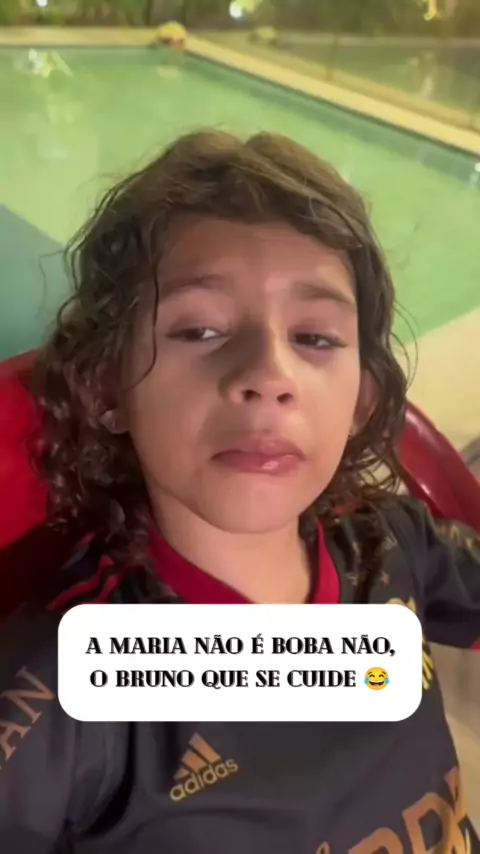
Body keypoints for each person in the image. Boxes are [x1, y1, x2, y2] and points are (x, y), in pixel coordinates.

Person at [0, 129, 479, 853]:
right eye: (199, 329)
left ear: (360, 401)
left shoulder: (398, 545)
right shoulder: (61, 694)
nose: (268, 374)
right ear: (105, 388)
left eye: (315, 338)